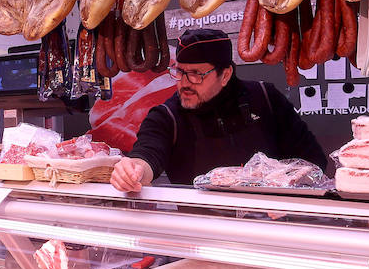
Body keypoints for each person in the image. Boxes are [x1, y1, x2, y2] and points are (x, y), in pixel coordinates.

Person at [110, 28, 328, 192]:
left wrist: (288, 192)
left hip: (272, 226)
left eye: (196, 74)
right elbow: (148, 154)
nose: (184, 83)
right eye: (180, 72)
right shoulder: (167, 116)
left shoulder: (265, 98)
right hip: (202, 230)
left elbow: (313, 160)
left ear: (225, 75)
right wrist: (134, 170)